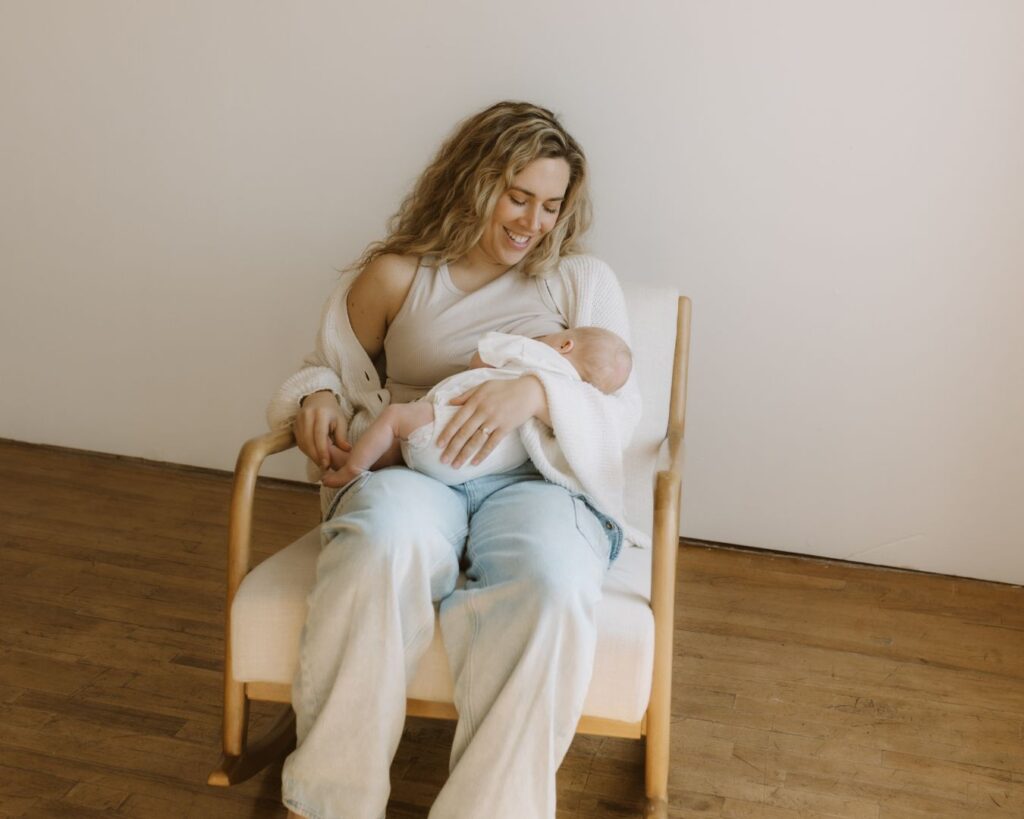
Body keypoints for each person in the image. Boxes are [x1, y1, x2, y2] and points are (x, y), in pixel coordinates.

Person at [267, 100, 643, 819]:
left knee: (555, 583)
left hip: (538, 475)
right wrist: (313, 399)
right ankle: (329, 803)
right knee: (380, 544)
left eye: (550, 204)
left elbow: (622, 408)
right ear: (473, 180)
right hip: (418, 464)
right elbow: (330, 370)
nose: (532, 220)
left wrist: (533, 391)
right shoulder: (398, 275)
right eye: (517, 194)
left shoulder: (579, 279)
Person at [323, 326, 633, 490]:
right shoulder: (569, 399)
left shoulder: (532, 350)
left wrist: (523, 343)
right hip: (472, 465)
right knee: (405, 448)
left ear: (565, 344)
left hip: (446, 428)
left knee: (394, 420)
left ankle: (354, 466)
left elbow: (478, 360)